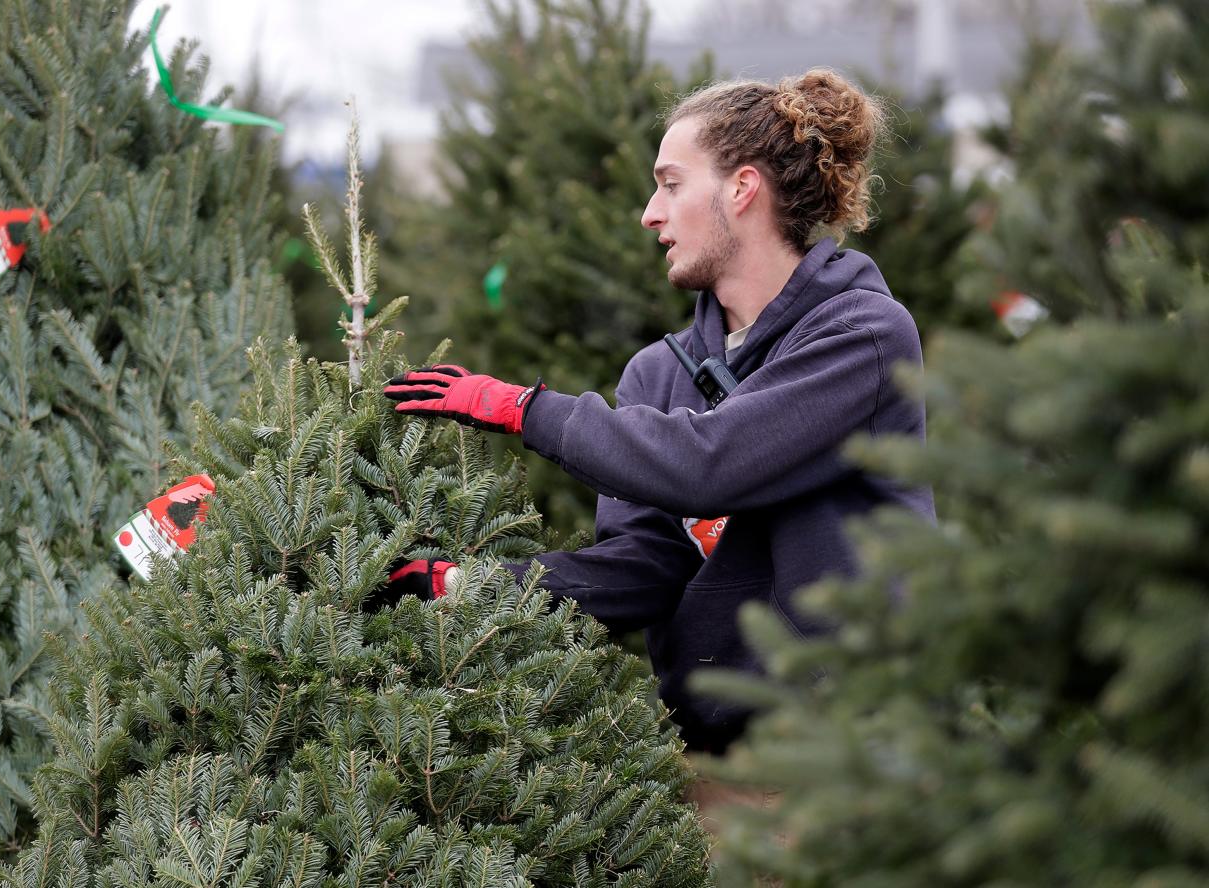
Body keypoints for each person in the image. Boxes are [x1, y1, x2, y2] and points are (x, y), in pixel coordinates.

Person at [384, 69, 936, 757]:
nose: (650, 212)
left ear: (741, 188)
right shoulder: (658, 373)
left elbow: (713, 463)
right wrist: (459, 586)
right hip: (717, 755)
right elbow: (644, 568)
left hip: (856, 757)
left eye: (670, 183)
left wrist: (523, 409)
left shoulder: (862, 337)